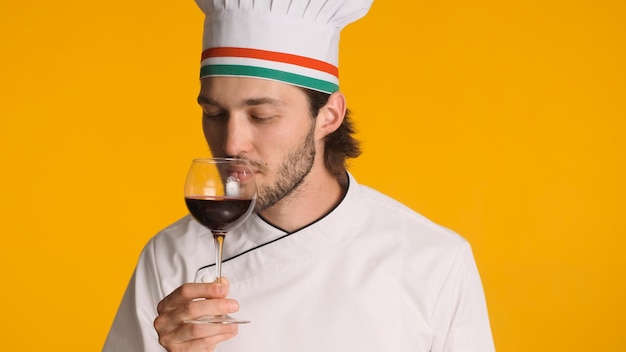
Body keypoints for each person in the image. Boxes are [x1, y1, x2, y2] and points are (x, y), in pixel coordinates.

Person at [103, 0, 496, 351]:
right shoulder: (170, 258)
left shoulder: (435, 262)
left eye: (262, 116)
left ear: (328, 116)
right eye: (215, 114)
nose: (232, 142)